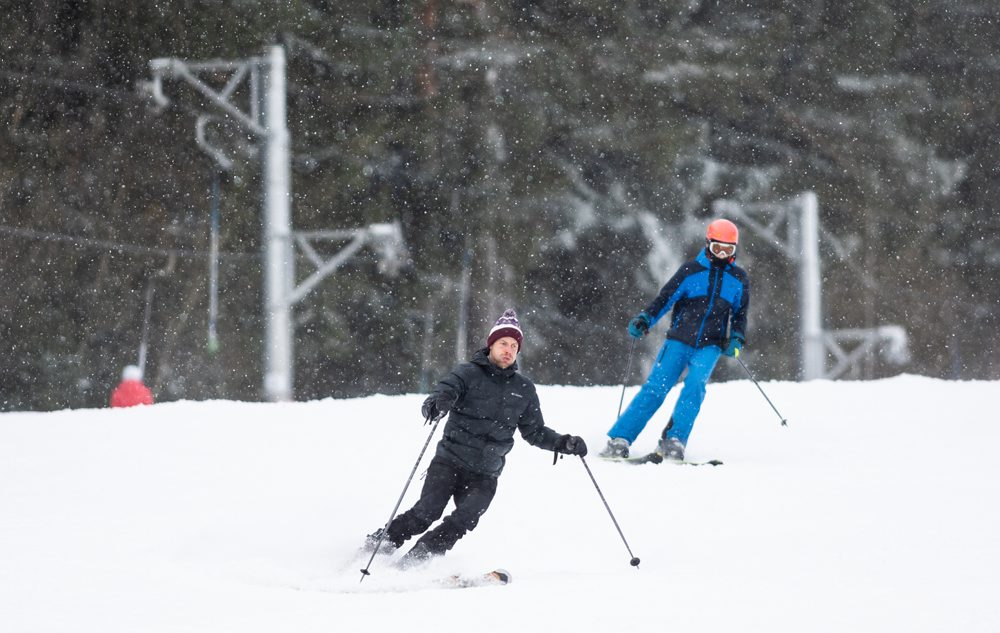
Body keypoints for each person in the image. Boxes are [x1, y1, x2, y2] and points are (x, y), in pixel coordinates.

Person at [364, 309, 587, 568]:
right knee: (426, 513)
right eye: (503, 343)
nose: (508, 350)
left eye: (514, 346)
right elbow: (440, 394)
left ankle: (419, 557)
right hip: (449, 461)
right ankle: (378, 545)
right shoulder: (467, 373)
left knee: (465, 520)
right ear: (491, 344)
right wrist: (438, 403)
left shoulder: (523, 388)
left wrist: (564, 443)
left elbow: (535, 432)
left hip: (485, 472)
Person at [599, 218, 749, 462]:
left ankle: (675, 439)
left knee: (695, 387)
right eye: (717, 249)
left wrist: (737, 339)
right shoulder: (691, 271)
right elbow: (665, 299)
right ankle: (620, 438)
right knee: (656, 388)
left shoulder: (738, 279)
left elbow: (740, 314)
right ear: (708, 244)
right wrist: (646, 319)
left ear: (735, 250)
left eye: (728, 250)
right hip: (680, 340)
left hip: (710, 345)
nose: (722, 255)